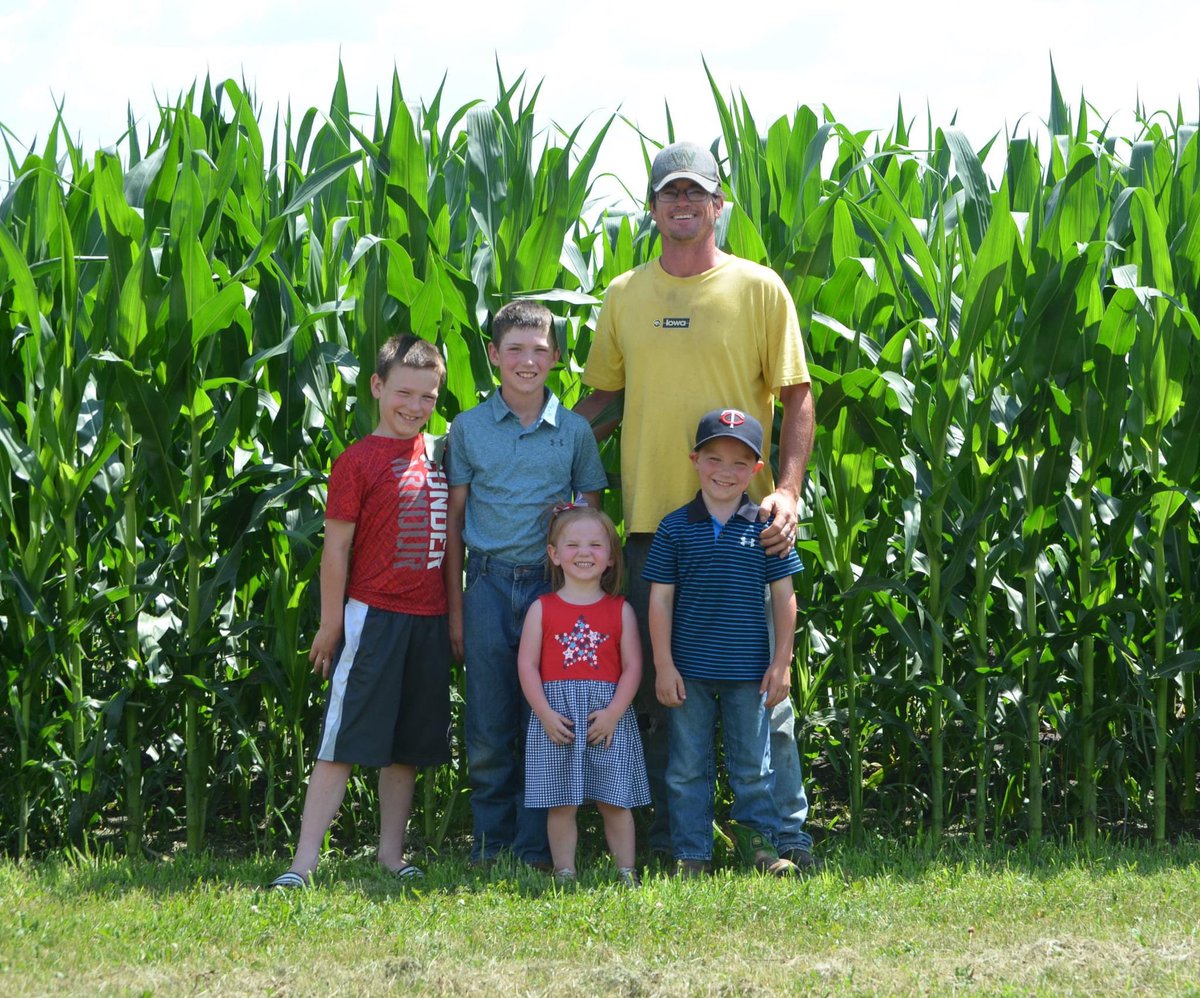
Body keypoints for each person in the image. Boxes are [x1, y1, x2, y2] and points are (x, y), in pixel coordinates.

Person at [575, 140, 818, 868]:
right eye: (668, 193)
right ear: (651, 209)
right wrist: (531, 445)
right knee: (663, 693)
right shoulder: (624, 294)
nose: (682, 203)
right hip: (654, 526)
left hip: (747, 527)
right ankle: (673, 843)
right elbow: (602, 401)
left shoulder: (759, 289)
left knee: (762, 690)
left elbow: (798, 396)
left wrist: (787, 490)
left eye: (695, 192)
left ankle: (783, 837)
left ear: (718, 205)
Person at [267, 334, 452, 888]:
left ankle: (391, 856)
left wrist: (454, 622)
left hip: (429, 620)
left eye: (427, 396)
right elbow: (336, 550)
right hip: (373, 619)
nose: (414, 406)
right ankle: (302, 865)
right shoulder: (356, 461)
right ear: (377, 386)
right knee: (341, 741)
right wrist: (331, 624)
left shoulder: (439, 454)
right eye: (404, 393)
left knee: (406, 748)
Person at [446, 301, 609, 868]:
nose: (527, 360)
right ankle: (489, 844)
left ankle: (535, 847)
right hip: (487, 586)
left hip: (552, 592)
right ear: (493, 355)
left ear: (557, 357)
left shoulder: (575, 432)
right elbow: (455, 525)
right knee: (488, 722)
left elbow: (590, 522)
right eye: (514, 349)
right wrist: (457, 610)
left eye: (540, 350)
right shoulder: (467, 428)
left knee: (546, 722)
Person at [644, 409, 804, 875]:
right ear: (695, 460)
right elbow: (660, 601)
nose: (725, 472)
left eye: (739, 463)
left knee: (754, 766)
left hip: (749, 673)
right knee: (686, 768)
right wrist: (664, 665)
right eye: (714, 459)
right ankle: (691, 854)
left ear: (756, 470)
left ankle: (760, 848)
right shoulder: (674, 528)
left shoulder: (766, 529)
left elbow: (784, 598)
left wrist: (782, 663)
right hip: (689, 672)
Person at [517, 505, 651, 884]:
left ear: (610, 557)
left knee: (615, 801)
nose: (584, 552)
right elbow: (527, 666)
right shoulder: (541, 609)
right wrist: (544, 714)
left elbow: (633, 668)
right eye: (573, 544)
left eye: (595, 544)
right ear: (554, 554)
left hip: (607, 719)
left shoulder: (620, 610)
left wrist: (614, 713)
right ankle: (565, 871)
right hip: (558, 720)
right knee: (561, 803)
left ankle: (626, 870)